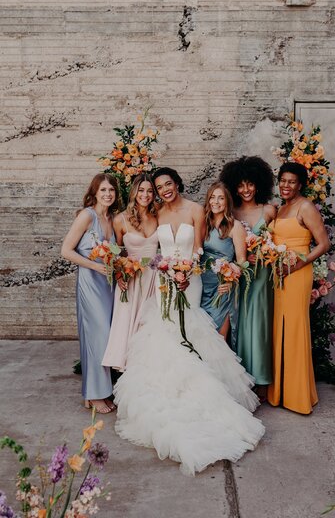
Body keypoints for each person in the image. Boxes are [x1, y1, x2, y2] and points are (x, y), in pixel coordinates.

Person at [114, 167, 265, 475]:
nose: (164, 189)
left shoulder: (197, 209)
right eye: (159, 186)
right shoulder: (155, 212)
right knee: (162, 334)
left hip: (189, 281)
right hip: (161, 280)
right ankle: (167, 393)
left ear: (177, 183)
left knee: (191, 333)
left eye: (168, 184)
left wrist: (186, 273)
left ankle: (204, 395)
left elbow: (198, 249)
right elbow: (150, 246)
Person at [267, 162, 330, 414]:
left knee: (294, 329)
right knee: (279, 328)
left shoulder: (305, 207)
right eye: (282, 180)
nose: (286, 185)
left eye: (291, 181)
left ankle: (298, 395)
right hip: (277, 274)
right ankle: (281, 391)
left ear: (300, 184)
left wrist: (294, 266)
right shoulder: (281, 208)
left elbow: (323, 244)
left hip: (296, 274)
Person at [61, 173, 119, 414]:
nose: (107, 194)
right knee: (98, 336)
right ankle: (94, 394)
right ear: (95, 192)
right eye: (103, 190)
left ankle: (98, 393)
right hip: (90, 282)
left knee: (107, 339)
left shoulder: (112, 218)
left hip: (108, 284)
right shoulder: (87, 215)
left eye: (111, 191)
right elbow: (66, 250)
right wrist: (95, 266)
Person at [220, 156, 276, 402]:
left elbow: (280, 243)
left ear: (259, 184)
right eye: (240, 185)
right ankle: (242, 379)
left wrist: (266, 253)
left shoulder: (269, 210)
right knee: (238, 324)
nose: (245, 190)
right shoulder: (230, 211)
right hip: (239, 275)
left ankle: (262, 379)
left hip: (262, 276)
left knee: (259, 325)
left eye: (250, 184)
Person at [102, 175, 158, 372]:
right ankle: (129, 373)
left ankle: (148, 370)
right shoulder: (120, 220)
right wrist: (120, 274)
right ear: (134, 192)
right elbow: (116, 253)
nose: (145, 195)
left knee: (150, 326)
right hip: (132, 279)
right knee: (127, 327)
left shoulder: (158, 215)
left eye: (150, 191)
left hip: (154, 279)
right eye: (141, 190)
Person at [200, 182, 247, 350]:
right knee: (201, 337)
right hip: (201, 286)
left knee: (218, 339)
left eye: (221, 198)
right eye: (212, 197)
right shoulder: (203, 224)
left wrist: (230, 279)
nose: (216, 202)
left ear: (227, 202)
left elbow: (242, 261)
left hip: (222, 288)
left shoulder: (235, 226)